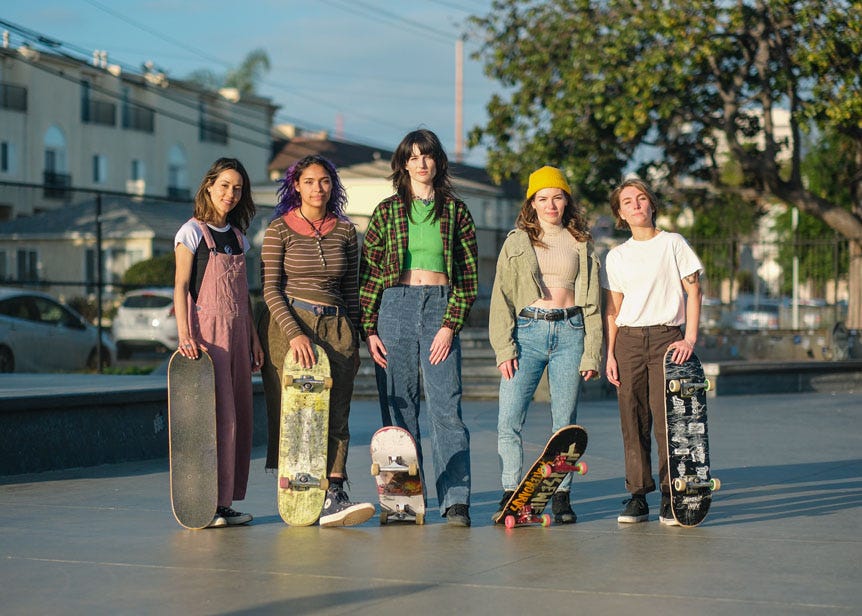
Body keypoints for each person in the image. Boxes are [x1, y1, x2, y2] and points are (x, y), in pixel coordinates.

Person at [359, 129, 478, 527]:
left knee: (446, 408)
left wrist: (450, 325)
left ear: (437, 161)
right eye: (412, 157)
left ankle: (456, 500)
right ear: (403, 164)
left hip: (439, 307)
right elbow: (371, 274)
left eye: (427, 156)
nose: (421, 163)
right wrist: (370, 328)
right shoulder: (386, 211)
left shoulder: (456, 211)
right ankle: (401, 499)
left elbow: (468, 276)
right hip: (394, 306)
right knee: (398, 406)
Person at [261, 154, 374, 527]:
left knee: (337, 414)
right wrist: (294, 334)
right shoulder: (278, 229)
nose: (317, 188)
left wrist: (356, 337)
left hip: (337, 326)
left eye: (324, 181)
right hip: (292, 323)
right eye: (309, 181)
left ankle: (335, 491)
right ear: (296, 185)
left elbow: (352, 290)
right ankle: (299, 490)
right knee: (297, 413)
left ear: (333, 186)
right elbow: (270, 289)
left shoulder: (345, 231)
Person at [488, 166, 603, 524]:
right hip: (527, 333)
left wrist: (592, 350)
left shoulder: (581, 242)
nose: (550, 204)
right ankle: (511, 491)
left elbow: (593, 302)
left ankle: (561, 494)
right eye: (542, 198)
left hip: (570, 332)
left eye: (557, 196)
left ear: (566, 200)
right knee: (508, 418)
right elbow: (501, 297)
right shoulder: (517, 241)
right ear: (531, 203)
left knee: (564, 423)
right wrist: (504, 348)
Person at [601, 177, 704, 526]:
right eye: (627, 201)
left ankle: (669, 495)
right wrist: (610, 354)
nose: (636, 205)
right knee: (632, 418)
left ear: (652, 204)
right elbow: (614, 310)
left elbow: (694, 291)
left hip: (665, 338)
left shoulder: (673, 243)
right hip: (628, 341)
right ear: (620, 213)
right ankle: (637, 495)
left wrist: (688, 338)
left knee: (667, 419)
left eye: (641, 198)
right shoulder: (616, 256)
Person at [173, 157, 264, 528]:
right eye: (224, 185)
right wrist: (185, 334)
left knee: (238, 420)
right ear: (209, 185)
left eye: (237, 188)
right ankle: (204, 504)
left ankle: (224, 503)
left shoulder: (239, 238)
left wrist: (255, 341)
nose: (230, 193)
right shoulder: (191, 232)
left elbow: (244, 297)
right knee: (214, 421)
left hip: (239, 335)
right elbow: (180, 287)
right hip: (206, 337)